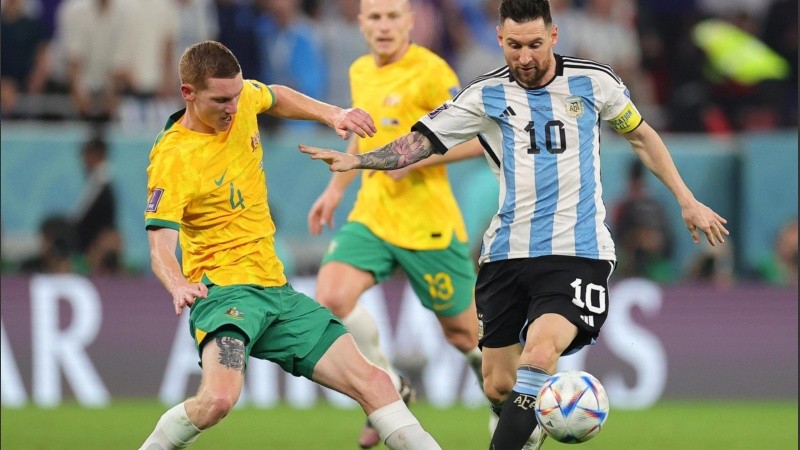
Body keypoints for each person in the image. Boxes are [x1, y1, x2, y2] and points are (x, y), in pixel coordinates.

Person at [298, 1, 729, 449]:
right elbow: (420, 142)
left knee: (538, 355)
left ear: (554, 36)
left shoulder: (593, 82)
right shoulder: (485, 94)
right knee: (499, 386)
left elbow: (641, 135)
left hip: (577, 251)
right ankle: (528, 427)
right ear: (500, 40)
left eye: (535, 45)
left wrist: (687, 200)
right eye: (515, 46)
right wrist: (359, 161)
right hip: (506, 253)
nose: (525, 57)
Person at [138, 40, 441, 450]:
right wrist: (176, 283)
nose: (234, 108)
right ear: (187, 93)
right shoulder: (173, 157)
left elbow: (275, 96)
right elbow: (160, 245)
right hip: (224, 293)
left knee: (375, 382)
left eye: (237, 95)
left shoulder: (242, 100)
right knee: (218, 401)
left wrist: (333, 114)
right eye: (221, 100)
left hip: (277, 293)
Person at [306, 0, 483, 447]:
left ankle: (506, 400)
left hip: (428, 226)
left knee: (465, 337)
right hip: (374, 215)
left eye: (392, 17)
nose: (383, 26)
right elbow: (360, 136)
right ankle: (389, 387)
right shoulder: (360, 70)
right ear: (361, 24)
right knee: (331, 295)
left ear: (410, 22)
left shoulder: (431, 71)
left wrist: (415, 160)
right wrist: (334, 191)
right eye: (375, 18)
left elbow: (478, 138)